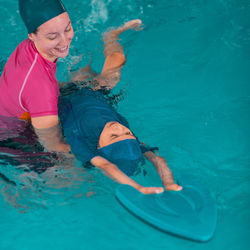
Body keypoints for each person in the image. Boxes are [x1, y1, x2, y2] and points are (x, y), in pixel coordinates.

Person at [59, 19, 183, 194]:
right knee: (118, 59)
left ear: (100, 148)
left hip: (64, 96)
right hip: (97, 93)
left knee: (78, 71)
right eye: (127, 132)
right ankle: (111, 35)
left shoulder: (80, 143)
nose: (119, 128)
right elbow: (157, 159)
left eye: (114, 135)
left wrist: (137, 187)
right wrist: (168, 183)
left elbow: (105, 165)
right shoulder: (128, 143)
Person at [0, 0, 73, 153]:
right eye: (53, 37)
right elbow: (54, 146)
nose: (64, 41)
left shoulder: (29, 47)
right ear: (32, 36)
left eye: (68, 29)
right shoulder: (40, 87)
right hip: (11, 138)